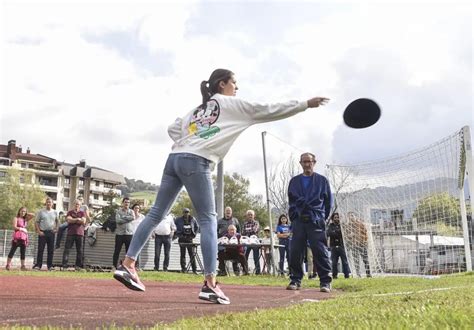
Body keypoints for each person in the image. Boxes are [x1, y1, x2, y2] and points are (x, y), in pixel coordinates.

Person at [113, 68, 329, 305]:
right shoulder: (230, 104)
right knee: (208, 220)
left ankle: (128, 265)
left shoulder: (198, 109)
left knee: (156, 213)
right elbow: (267, 109)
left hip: (174, 158)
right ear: (223, 84)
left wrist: (191, 138)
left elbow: (173, 129)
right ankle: (210, 284)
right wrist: (305, 104)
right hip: (197, 160)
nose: (237, 87)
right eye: (234, 83)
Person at [287, 152, 332, 292]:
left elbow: (328, 202)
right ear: (300, 163)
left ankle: (325, 281)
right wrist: (294, 216)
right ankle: (295, 279)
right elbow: (291, 201)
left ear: (314, 162)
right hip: (299, 220)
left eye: (309, 161)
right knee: (295, 250)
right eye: (304, 162)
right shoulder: (294, 181)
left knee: (320, 250)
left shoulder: (322, 181)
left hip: (316, 219)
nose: (307, 164)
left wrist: (321, 218)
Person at [33, 197, 60, 271]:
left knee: (50, 250)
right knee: (40, 250)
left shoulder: (55, 212)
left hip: (51, 233)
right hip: (42, 233)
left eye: (50, 202)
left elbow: (58, 221)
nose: (48, 203)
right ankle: (38, 265)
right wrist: (39, 231)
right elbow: (36, 222)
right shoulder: (41, 212)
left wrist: (56, 229)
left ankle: (50, 266)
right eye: (47, 202)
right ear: (46, 203)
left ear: (52, 204)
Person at [61, 199, 87, 271]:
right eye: (75, 204)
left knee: (80, 250)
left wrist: (74, 220)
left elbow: (83, 221)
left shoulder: (82, 213)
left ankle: (78, 266)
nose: (76, 205)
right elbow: (69, 220)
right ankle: (64, 266)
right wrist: (77, 219)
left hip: (80, 233)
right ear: (73, 204)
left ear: (80, 205)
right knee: (67, 249)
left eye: (78, 204)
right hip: (71, 233)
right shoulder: (70, 212)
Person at [345, 211, 371, 277]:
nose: (351, 217)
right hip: (353, 245)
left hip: (362, 244)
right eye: (349, 216)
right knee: (356, 261)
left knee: (365, 260)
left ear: (355, 216)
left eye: (352, 215)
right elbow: (346, 236)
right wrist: (349, 236)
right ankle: (358, 274)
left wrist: (364, 241)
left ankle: (368, 274)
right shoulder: (348, 226)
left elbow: (365, 233)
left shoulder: (360, 224)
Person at [112, 197, 135, 269]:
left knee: (128, 252)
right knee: (117, 250)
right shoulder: (118, 211)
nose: (127, 204)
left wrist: (123, 217)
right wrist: (128, 218)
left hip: (129, 234)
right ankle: (114, 266)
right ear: (123, 203)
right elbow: (118, 221)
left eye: (128, 202)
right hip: (120, 234)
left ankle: (127, 267)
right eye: (125, 202)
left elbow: (133, 218)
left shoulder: (131, 211)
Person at [217, 206, 241, 274]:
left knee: (235, 253)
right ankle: (222, 270)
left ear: (231, 212)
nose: (228, 212)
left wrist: (237, 238)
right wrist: (219, 238)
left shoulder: (235, 220)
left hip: (233, 242)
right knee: (220, 254)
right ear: (224, 212)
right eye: (227, 211)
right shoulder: (220, 221)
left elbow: (239, 230)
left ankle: (236, 270)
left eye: (229, 211)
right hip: (223, 242)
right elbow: (216, 230)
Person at [175, 208, 199, 273]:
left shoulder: (192, 219)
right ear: (182, 213)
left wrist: (194, 235)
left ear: (189, 212)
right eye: (185, 212)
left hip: (189, 238)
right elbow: (174, 227)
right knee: (182, 254)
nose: (186, 213)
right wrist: (178, 234)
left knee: (191, 254)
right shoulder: (178, 220)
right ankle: (183, 269)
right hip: (182, 238)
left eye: (187, 212)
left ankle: (194, 269)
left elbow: (197, 227)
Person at [327, 212, 350, 279]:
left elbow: (343, 234)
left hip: (342, 246)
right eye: (335, 217)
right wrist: (337, 232)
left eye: (338, 217)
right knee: (334, 262)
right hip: (333, 246)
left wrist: (335, 232)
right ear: (332, 218)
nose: (336, 219)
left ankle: (346, 275)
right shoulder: (330, 226)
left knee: (344, 262)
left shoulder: (343, 225)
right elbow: (329, 233)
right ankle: (334, 275)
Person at [242, 209, 261, 275]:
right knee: (245, 257)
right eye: (248, 215)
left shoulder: (256, 223)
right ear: (246, 216)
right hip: (247, 242)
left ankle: (258, 272)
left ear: (254, 216)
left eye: (251, 215)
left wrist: (248, 231)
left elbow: (254, 231)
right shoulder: (245, 224)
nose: (250, 216)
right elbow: (243, 233)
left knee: (255, 257)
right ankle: (245, 271)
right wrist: (249, 231)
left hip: (254, 242)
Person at [131, 203, 145, 270]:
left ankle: (138, 266)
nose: (137, 209)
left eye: (138, 208)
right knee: (130, 251)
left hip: (139, 235)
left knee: (138, 252)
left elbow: (145, 225)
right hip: (130, 235)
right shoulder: (130, 216)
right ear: (133, 209)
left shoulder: (142, 217)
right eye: (135, 208)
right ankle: (130, 266)